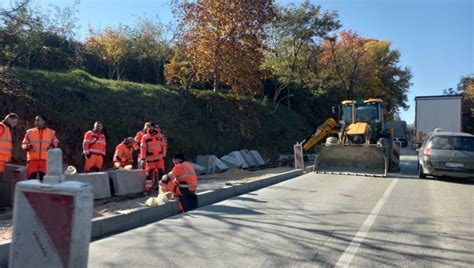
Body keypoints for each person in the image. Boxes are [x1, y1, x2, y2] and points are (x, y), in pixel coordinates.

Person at [21, 115, 59, 180]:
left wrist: (52, 145)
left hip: (45, 161)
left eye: (38, 120)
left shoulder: (51, 132)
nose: (36, 122)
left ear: (44, 121)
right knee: (30, 180)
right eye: (35, 120)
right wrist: (27, 147)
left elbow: (56, 141)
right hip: (32, 160)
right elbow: (24, 144)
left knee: (45, 181)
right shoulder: (29, 132)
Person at [140, 123, 166, 193]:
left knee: (161, 174)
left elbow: (164, 146)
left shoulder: (160, 136)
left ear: (155, 127)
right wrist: (143, 158)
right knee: (149, 175)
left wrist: (164, 155)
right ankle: (148, 189)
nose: (150, 128)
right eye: (149, 127)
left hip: (160, 159)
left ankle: (161, 189)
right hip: (150, 159)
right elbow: (143, 148)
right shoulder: (145, 137)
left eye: (152, 127)